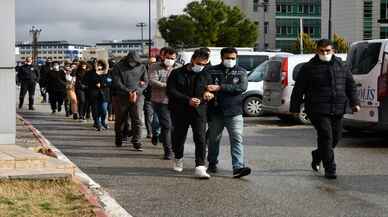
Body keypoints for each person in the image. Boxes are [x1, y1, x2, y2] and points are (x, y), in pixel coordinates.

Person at [290, 39, 360, 179]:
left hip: (338, 107)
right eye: (322, 51)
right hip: (317, 108)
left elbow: (350, 85)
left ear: (333, 50)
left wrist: (355, 102)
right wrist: (295, 107)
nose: (325, 53)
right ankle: (330, 168)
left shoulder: (341, 65)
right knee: (326, 135)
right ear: (317, 51)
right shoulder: (308, 68)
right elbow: (298, 89)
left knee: (336, 137)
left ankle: (318, 154)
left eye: (327, 51)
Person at [166, 49, 214, 179]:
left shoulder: (206, 74)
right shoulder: (177, 73)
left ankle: (200, 166)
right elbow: (170, 91)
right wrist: (188, 100)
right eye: (199, 63)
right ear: (193, 60)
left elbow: (210, 89)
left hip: (199, 111)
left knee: (200, 138)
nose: (201, 66)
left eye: (204, 64)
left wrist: (207, 95)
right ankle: (178, 158)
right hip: (180, 110)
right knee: (179, 137)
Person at [206, 47, 251, 178]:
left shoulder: (241, 71)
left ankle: (238, 167)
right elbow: (206, 85)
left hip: (234, 112)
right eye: (227, 58)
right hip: (216, 111)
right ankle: (212, 162)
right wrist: (208, 91)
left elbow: (241, 87)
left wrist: (220, 87)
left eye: (233, 58)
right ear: (222, 58)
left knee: (237, 139)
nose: (230, 60)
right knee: (214, 139)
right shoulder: (212, 70)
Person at [112, 51, 148, 150]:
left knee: (138, 120)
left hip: (138, 96)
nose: (133, 63)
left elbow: (145, 82)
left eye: (135, 61)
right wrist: (128, 92)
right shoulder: (118, 66)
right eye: (131, 61)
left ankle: (137, 142)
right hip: (122, 96)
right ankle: (119, 138)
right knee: (120, 119)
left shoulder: (142, 67)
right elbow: (116, 81)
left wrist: (137, 91)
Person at [149, 47, 181, 160]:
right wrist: (169, 85)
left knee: (173, 126)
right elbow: (153, 81)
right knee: (167, 125)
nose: (170, 60)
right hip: (160, 101)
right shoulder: (154, 66)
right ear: (163, 56)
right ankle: (168, 151)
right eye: (167, 57)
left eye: (172, 58)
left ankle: (168, 143)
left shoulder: (179, 68)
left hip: (176, 101)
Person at [85, 59, 111, 131]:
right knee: (95, 110)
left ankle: (103, 121)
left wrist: (102, 84)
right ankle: (97, 123)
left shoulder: (107, 73)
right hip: (94, 94)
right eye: (98, 65)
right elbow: (86, 81)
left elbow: (110, 82)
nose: (99, 66)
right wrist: (94, 82)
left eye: (101, 65)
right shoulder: (90, 73)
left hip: (104, 94)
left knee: (103, 109)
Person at [143, 56, 157, 138]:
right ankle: (149, 132)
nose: (153, 64)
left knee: (156, 119)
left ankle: (155, 132)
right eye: (151, 63)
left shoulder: (158, 70)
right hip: (148, 97)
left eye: (154, 63)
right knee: (148, 115)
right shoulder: (144, 71)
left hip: (158, 98)